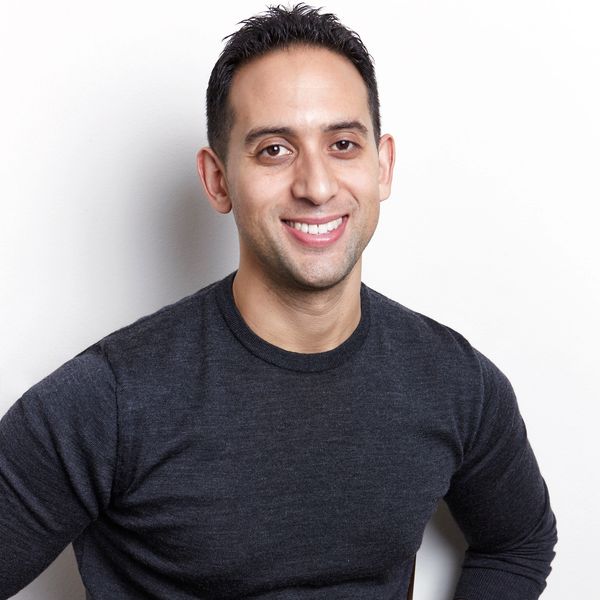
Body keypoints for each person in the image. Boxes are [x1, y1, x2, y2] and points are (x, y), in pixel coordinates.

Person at [0, 4, 557, 599]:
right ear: (217, 180)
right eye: (274, 149)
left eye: (343, 143)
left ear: (383, 165)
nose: (316, 185)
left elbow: (519, 543)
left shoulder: (454, 381)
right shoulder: (109, 400)